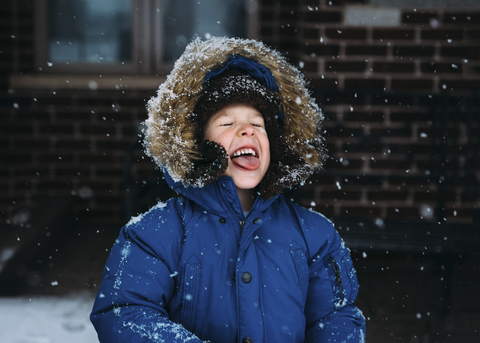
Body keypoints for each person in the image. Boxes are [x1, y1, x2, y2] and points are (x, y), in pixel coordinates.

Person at [90, 36, 366, 343]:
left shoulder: (315, 235)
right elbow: (125, 312)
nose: (246, 129)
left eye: (258, 124)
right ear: (196, 145)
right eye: (226, 123)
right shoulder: (155, 233)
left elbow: (335, 318)